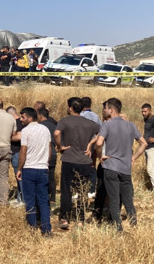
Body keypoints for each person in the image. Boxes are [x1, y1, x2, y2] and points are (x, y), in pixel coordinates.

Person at [94, 98, 148, 232]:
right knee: (128, 199)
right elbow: (144, 143)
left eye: (105, 108)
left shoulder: (107, 125)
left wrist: (100, 156)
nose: (104, 110)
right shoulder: (131, 125)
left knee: (113, 198)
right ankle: (134, 225)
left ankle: (118, 228)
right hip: (125, 168)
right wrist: (133, 157)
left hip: (111, 166)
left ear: (111, 110)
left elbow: (99, 143)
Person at [55, 98, 100, 230]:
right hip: (85, 161)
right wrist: (90, 144)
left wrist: (60, 146)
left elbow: (57, 133)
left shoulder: (64, 121)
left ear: (70, 108)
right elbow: (102, 132)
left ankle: (64, 218)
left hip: (69, 159)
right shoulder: (89, 123)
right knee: (82, 190)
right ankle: (80, 220)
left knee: (66, 190)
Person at [16, 107, 52, 235]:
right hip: (42, 168)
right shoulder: (45, 129)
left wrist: (19, 168)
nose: (21, 119)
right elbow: (49, 148)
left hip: (29, 169)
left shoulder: (26, 131)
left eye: (23, 117)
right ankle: (46, 228)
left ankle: (32, 227)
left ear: (30, 118)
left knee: (30, 200)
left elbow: (23, 151)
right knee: (43, 200)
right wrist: (45, 163)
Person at [33, 101, 58, 204]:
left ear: (40, 116)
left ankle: (43, 196)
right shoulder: (54, 125)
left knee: (42, 176)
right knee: (51, 176)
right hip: (53, 153)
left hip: (42, 153)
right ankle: (53, 197)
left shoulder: (39, 126)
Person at [8, 106, 24, 205]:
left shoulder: (17, 123)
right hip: (17, 152)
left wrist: (6, 136)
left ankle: (23, 199)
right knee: (18, 176)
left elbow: (19, 137)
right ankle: (19, 197)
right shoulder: (19, 122)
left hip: (17, 152)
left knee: (19, 176)